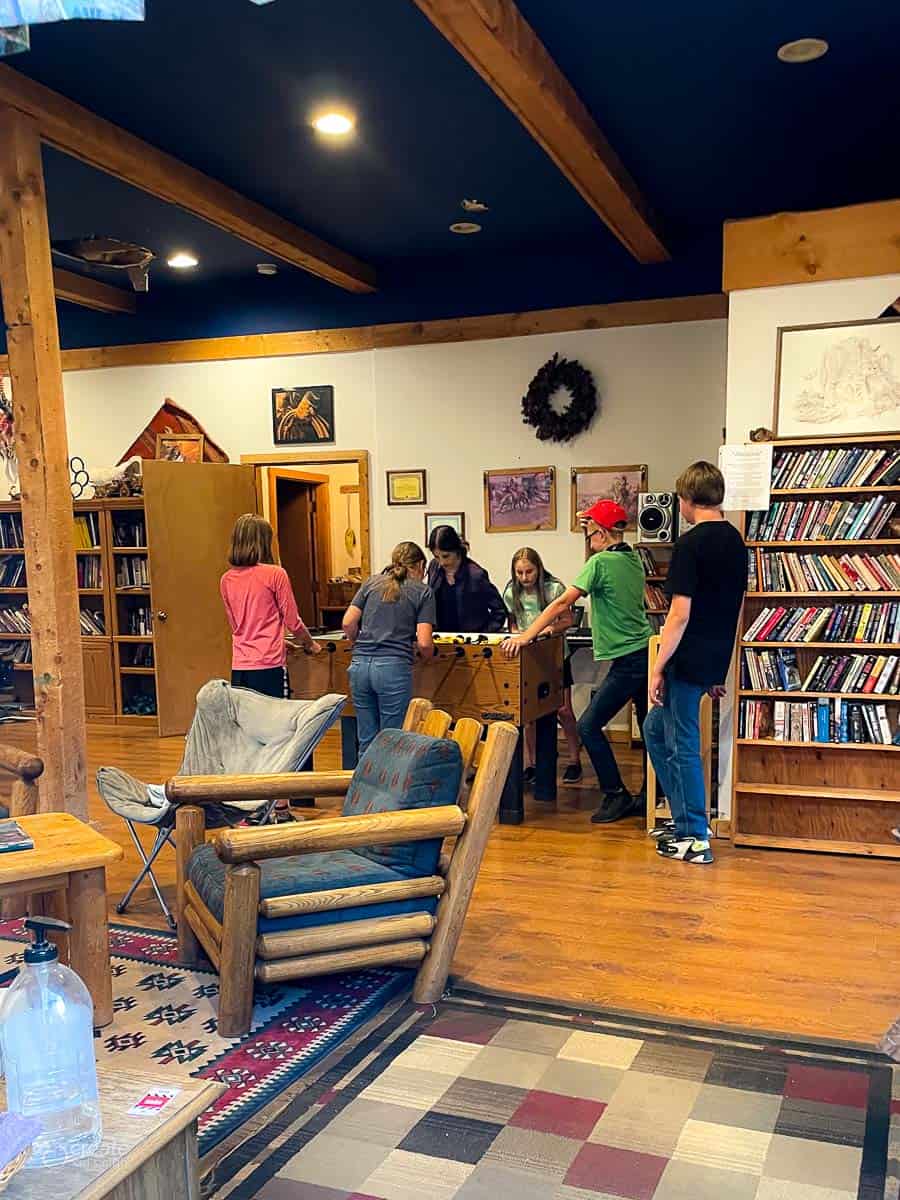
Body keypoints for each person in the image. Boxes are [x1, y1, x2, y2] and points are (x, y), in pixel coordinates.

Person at [502, 500, 653, 824]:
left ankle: (616, 794)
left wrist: (526, 636)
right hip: (644, 653)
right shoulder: (633, 559)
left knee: (587, 726)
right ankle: (649, 797)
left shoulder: (599, 563)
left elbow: (562, 603)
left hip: (629, 660)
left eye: (588, 530)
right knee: (649, 729)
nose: (587, 537)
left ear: (600, 531)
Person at [645, 462, 747, 865]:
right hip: (710, 656)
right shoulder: (735, 541)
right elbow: (732, 607)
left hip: (686, 659)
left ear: (686, 500)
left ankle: (694, 836)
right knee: (655, 729)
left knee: (682, 743)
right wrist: (717, 668)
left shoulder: (690, 545)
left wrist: (657, 666)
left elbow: (679, 614)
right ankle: (685, 814)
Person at [221, 514, 322, 821]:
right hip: (269, 667)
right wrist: (308, 644)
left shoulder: (226, 579)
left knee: (250, 737)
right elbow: (292, 620)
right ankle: (279, 808)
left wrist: (278, 642)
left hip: (241, 666)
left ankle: (248, 807)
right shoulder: (275, 574)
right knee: (279, 735)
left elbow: (240, 626)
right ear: (265, 542)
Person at [343, 541, 436, 756]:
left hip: (359, 666)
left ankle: (363, 789)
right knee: (392, 741)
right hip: (393, 669)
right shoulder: (423, 592)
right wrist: (427, 657)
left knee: (366, 741)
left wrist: (359, 641)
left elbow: (348, 623)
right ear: (421, 565)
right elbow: (424, 643)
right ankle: (388, 789)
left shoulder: (370, 583)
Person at [503, 547, 582, 785]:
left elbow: (567, 620)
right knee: (530, 714)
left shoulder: (553, 588)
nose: (525, 577)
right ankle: (532, 763)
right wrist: (517, 636)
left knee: (563, 710)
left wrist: (549, 629)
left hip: (555, 654)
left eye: (529, 571)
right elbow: (513, 625)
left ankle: (574, 760)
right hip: (529, 658)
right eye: (520, 572)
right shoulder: (510, 592)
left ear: (539, 569)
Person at [426, 525, 507, 633]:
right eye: (436, 557)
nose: (441, 562)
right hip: (441, 639)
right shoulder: (434, 567)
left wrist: (483, 634)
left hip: (470, 642)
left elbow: (499, 611)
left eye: (446, 556)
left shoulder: (476, 575)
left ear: (456, 550)